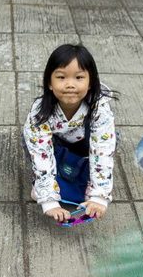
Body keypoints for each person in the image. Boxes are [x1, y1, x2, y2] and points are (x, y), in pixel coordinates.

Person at [23, 44, 117, 223]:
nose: (70, 85)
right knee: (37, 151)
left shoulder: (99, 108)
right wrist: (49, 201)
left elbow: (103, 150)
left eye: (79, 77)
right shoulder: (39, 114)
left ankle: (84, 180)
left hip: (83, 145)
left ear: (91, 83)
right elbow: (41, 156)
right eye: (61, 77)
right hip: (54, 146)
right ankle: (44, 186)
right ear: (49, 83)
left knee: (110, 140)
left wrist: (99, 197)